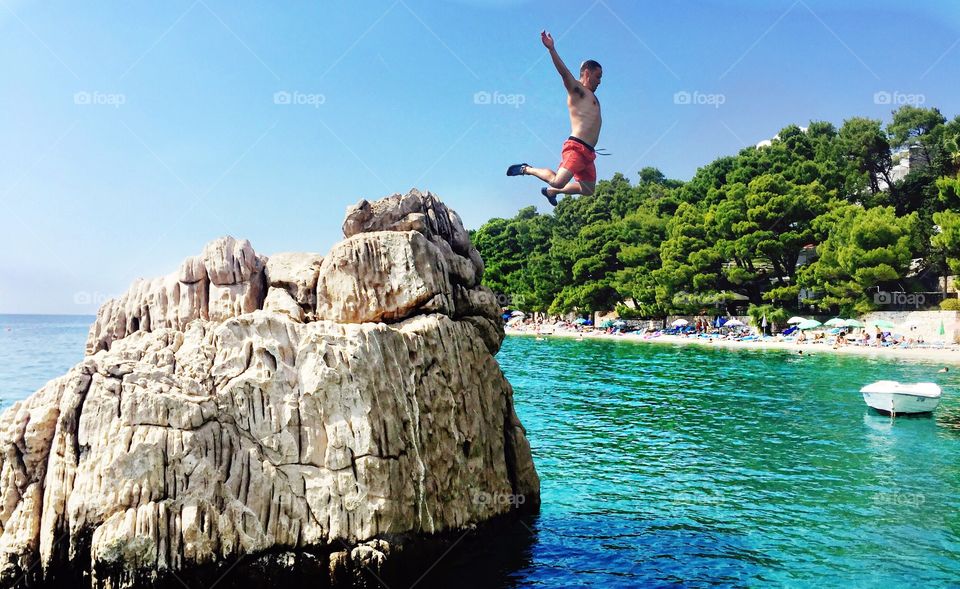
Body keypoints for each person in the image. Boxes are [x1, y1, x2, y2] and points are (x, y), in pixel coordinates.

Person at [507, 30, 602, 206]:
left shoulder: (591, 95)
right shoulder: (578, 91)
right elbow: (565, 74)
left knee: (588, 190)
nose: (600, 81)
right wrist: (551, 49)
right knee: (559, 180)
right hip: (577, 147)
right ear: (587, 74)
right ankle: (526, 169)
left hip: (588, 152)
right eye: (598, 77)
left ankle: (552, 191)